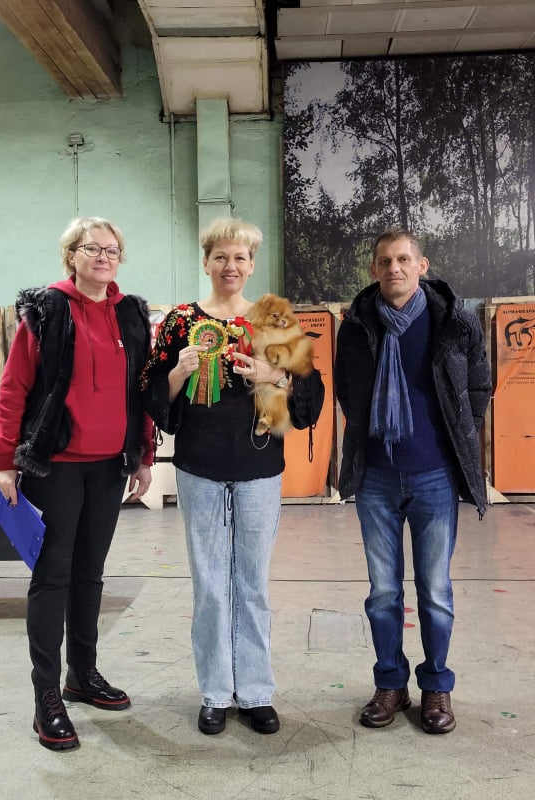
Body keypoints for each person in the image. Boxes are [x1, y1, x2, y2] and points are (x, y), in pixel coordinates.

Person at [142, 218, 324, 736]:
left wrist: (275, 375)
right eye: (221, 257)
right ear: (206, 262)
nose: (230, 266)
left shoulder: (275, 319)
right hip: (199, 467)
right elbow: (152, 395)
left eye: (240, 257)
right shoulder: (179, 322)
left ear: (251, 264)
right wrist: (178, 372)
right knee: (210, 585)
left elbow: (310, 394)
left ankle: (256, 691)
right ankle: (215, 693)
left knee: (252, 584)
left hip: (259, 467)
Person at [0, 216, 153, 751]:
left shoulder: (130, 315)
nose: (103, 257)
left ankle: (82, 674)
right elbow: (14, 387)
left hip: (109, 466)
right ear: (71, 256)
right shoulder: (46, 311)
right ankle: (46, 698)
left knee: (90, 575)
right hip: (55, 465)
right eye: (92, 248)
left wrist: (143, 454)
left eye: (112, 250)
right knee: (52, 577)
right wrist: (4, 460)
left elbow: (138, 391)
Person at [334, 227, 491, 734]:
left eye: (403, 259)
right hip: (376, 479)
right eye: (384, 261)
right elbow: (346, 389)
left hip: (435, 477)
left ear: (421, 266)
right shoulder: (357, 325)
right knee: (383, 592)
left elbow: (478, 385)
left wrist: (460, 429)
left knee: (435, 590)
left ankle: (437, 686)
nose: (394, 268)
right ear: (374, 269)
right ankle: (390, 684)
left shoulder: (455, 321)